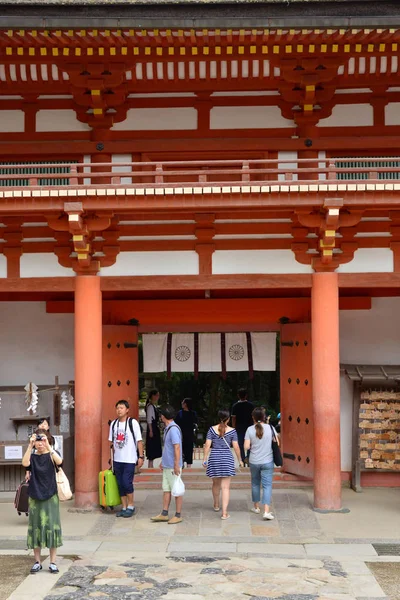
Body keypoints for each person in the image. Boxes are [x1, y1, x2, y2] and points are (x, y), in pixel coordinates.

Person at [22, 428, 63, 574]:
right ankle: (37, 562)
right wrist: (30, 445)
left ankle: (52, 562)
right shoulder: (32, 456)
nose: (40, 443)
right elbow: (24, 462)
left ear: (48, 440)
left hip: (51, 495)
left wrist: (49, 446)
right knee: (35, 527)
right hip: (35, 495)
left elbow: (60, 461)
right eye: (38, 440)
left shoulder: (52, 455)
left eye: (43, 440)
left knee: (51, 526)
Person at [203, 409, 243, 520]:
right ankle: (224, 513)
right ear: (228, 419)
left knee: (215, 484)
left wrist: (204, 459)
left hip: (214, 458)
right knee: (225, 487)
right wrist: (240, 460)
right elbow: (236, 447)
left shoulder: (212, 429)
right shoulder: (232, 431)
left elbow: (207, 445)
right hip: (227, 459)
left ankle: (216, 504)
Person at [109, 400, 144, 518]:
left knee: (126, 482)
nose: (119, 410)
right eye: (117, 408)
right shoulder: (114, 424)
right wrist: (111, 459)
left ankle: (131, 505)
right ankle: (124, 507)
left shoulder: (132, 423)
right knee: (119, 483)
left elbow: (139, 441)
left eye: (122, 408)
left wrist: (141, 456)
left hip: (129, 459)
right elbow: (112, 444)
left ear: (127, 410)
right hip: (118, 460)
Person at [244, 406, 279, 521]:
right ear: (264, 417)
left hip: (254, 461)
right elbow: (277, 443)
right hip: (268, 461)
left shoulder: (249, 429)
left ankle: (256, 507)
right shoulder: (271, 428)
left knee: (255, 483)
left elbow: (246, 446)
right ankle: (266, 511)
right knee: (267, 485)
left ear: (253, 417)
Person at [150, 405, 183, 525]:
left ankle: (178, 514)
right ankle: (164, 513)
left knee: (177, 490)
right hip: (167, 465)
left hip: (173, 466)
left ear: (163, 417)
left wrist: (176, 465)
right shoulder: (168, 428)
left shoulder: (173, 429)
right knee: (167, 489)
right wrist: (164, 462)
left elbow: (177, 447)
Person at [231, 388, 254, 464]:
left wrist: (234, 428)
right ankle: (249, 457)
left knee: (240, 444)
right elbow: (253, 417)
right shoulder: (251, 405)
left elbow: (234, 418)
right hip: (250, 427)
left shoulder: (235, 406)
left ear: (238, 395)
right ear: (246, 395)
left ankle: (243, 459)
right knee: (250, 443)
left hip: (239, 427)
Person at [175, 397, 198, 468]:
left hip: (189, 434)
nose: (182, 404)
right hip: (181, 434)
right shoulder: (180, 413)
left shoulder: (193, 413)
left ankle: (189, 466)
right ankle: (180, 465)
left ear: (186, 404)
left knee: (189, 450)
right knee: (181, 450)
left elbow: (195, 422)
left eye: (183, 403)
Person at [145, 389, 162, 468]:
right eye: (157, 395)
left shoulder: (153, 405)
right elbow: (149, 419)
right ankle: (150, 466)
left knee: (154, 448)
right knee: (151, 448)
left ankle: (151, 465)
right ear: (153, 396)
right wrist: (151, 430)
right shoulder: (150, 406)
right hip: (152, 428)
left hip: (155, 427)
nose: (158, 397)